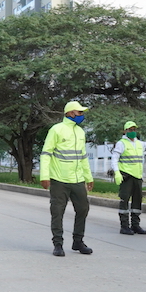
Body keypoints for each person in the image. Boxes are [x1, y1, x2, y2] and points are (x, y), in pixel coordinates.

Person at [40, 101, 94, 256]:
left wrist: (88, 177)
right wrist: (45, 176)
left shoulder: (80, 132)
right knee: (57, 212)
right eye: (79, 113)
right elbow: (46, 153)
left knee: (83, 209)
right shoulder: (56, 129)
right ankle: (58, 244)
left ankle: (78, 241)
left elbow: (83, 157)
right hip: (59, 179)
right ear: (71, 113)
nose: (82, 116)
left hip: (77, 179)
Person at [111, 120, 146, 235]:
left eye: (134, 129)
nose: (133, 132)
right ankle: (124, 226)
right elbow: (114, 159)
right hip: (126, 177)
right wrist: (117, 173)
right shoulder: (121, 143)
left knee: (137, 202)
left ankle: (135, 225)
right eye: (130, 129)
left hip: (138, 177)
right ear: (125, 131)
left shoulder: (139, 144)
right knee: (124, 201)